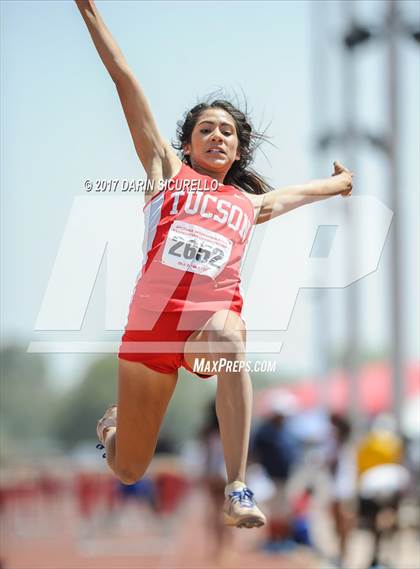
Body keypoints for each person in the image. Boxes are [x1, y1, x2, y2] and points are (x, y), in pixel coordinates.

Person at [75, 0, 353, 529]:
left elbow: (294, 194)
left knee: (231, 338)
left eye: (226, 131)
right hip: (151, 328)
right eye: (206, 129)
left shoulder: (248, 204)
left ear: (238, 149)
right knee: (130, 468)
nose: (217, 135)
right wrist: (90, 13)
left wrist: (339, 184)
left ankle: (238, 486)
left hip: (206, 326)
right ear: (186, 142)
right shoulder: (166, 171)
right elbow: (125, 82)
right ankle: (110, 430)